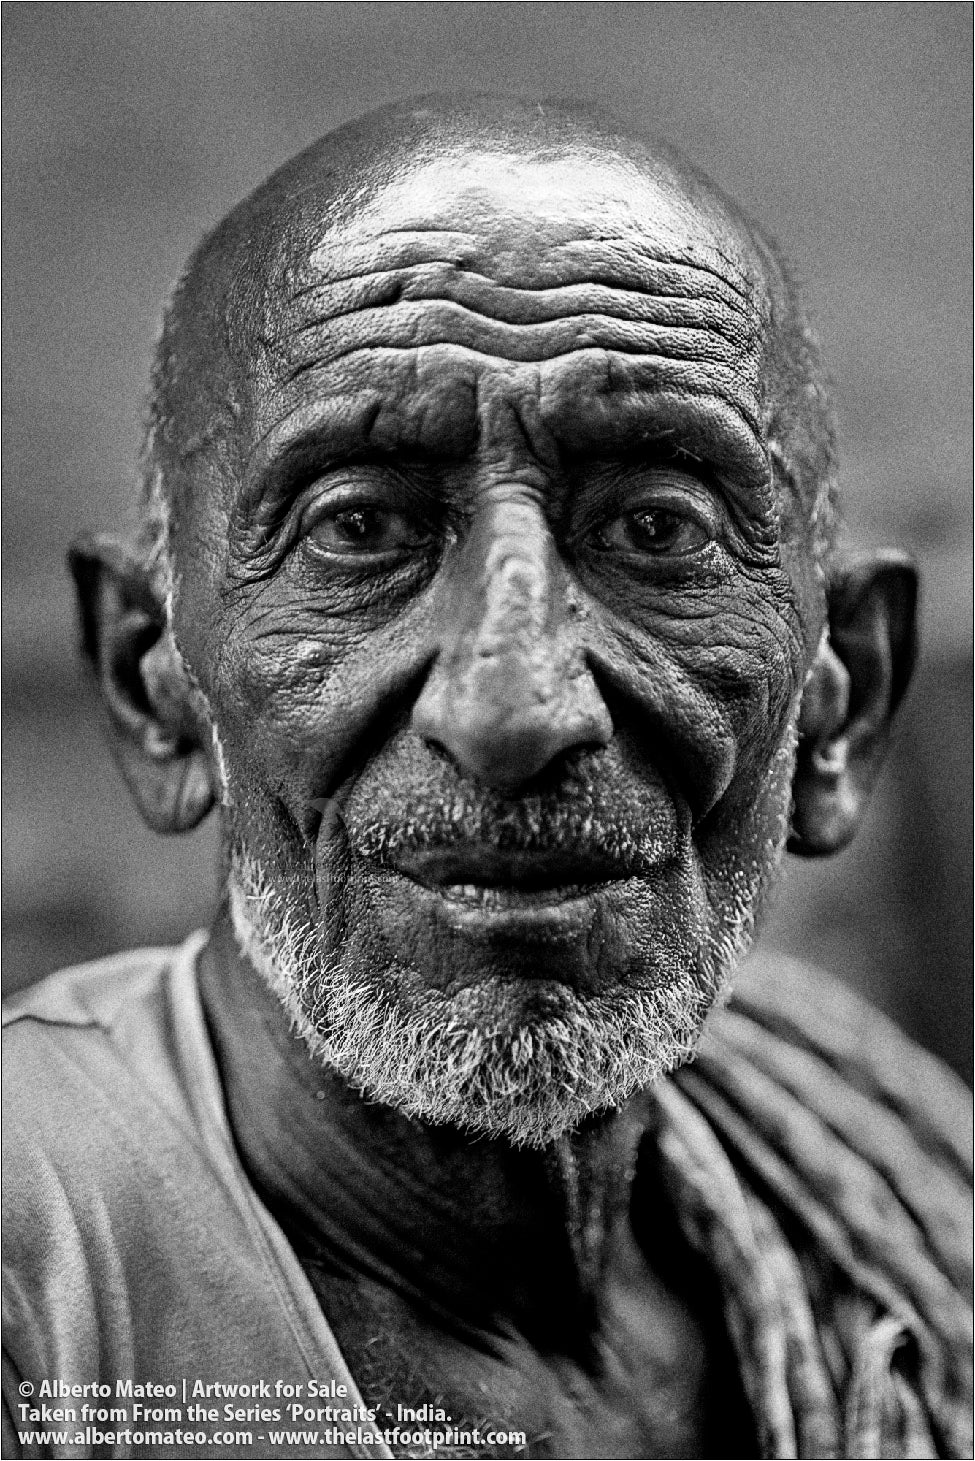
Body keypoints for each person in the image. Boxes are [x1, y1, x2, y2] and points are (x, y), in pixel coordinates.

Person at [3, 96, 970, 1461]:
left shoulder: (889, 1175)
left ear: (842, 705)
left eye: (656, 527)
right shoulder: (37, 1292)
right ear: (152, 684)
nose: (517, 704)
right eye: (360, 527)